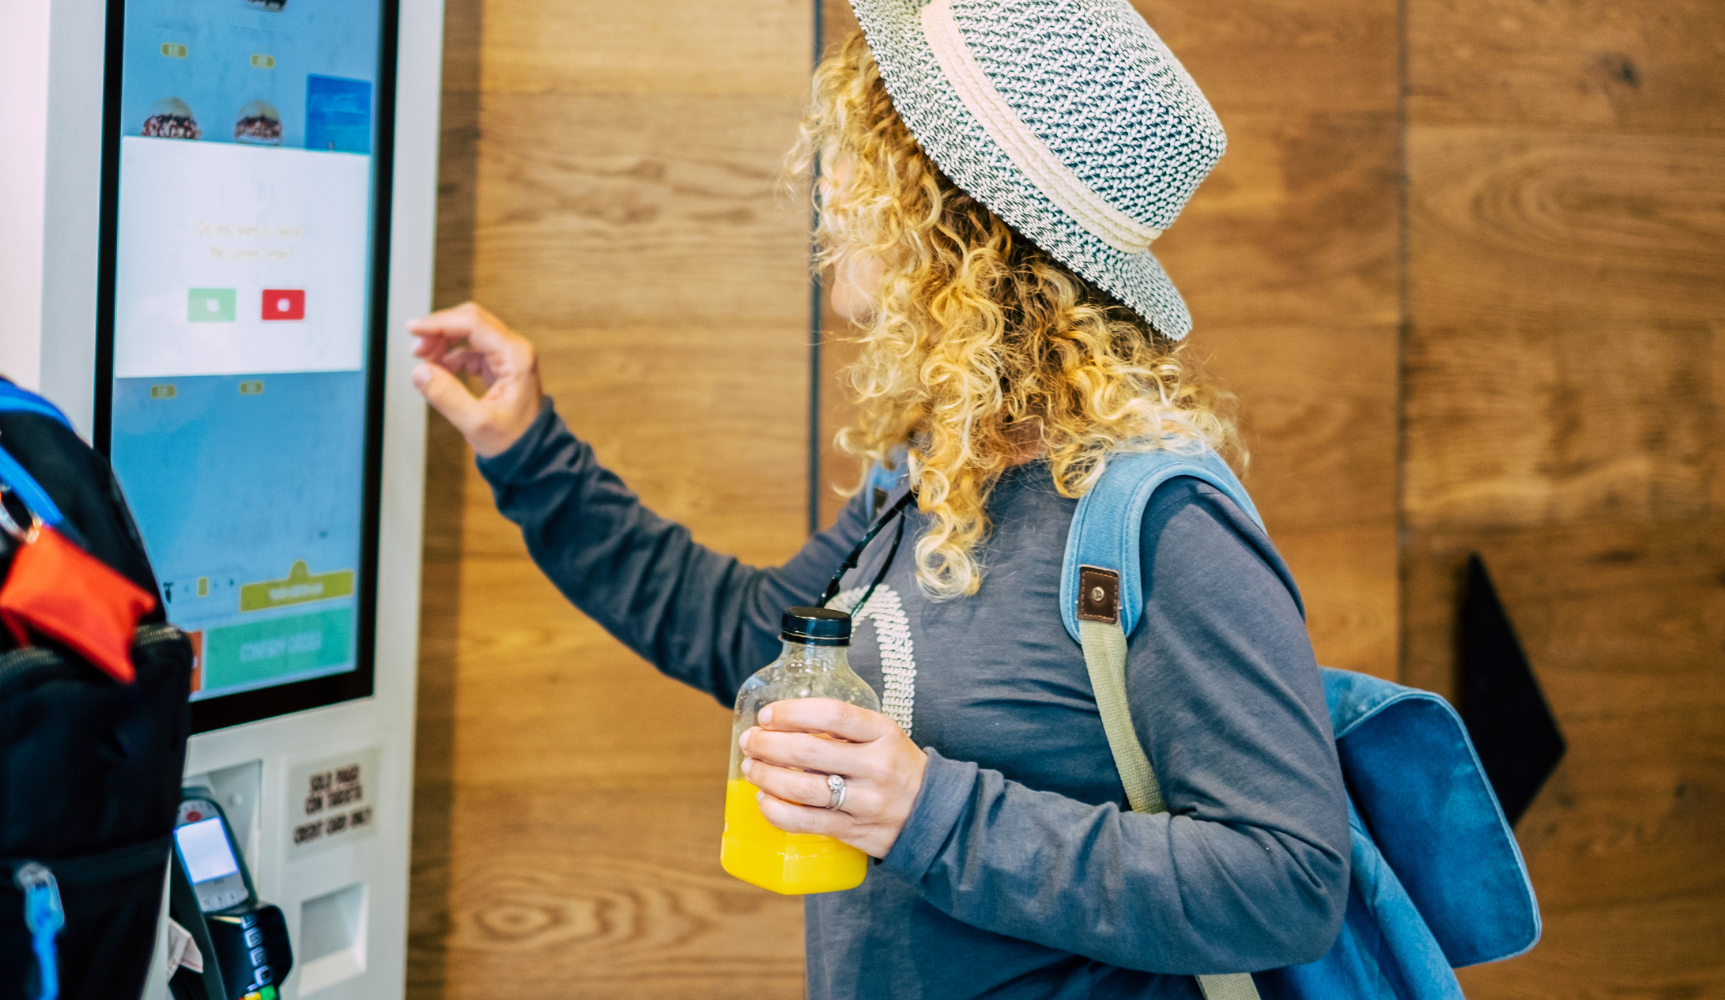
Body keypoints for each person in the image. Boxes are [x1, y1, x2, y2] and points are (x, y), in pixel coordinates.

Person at [408, 3, 1349, 997]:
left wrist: (924, 811)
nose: (828, 187)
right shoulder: (935, 472)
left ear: (949, 216)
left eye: (858, 153)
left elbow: (1287, 882)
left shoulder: (1161, 524)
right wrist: (526, 449)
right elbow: (749, 641)